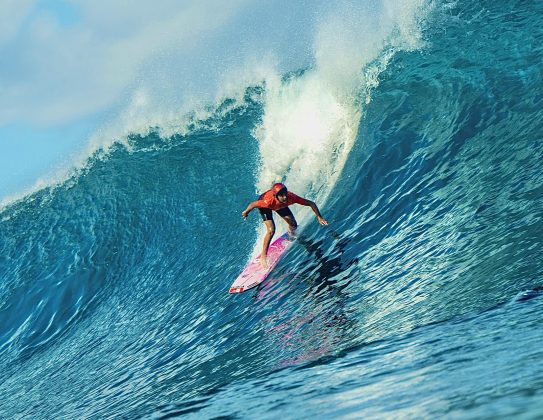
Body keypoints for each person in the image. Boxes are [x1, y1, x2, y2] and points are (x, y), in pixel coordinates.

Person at [242, 183, 328, 268]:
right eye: (282, 195)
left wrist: (319, 217)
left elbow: (311, 203)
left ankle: (291, 233)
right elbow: (253, 204)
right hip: (266, 206)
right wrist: (246, 212)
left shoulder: (291, 197)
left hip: (280, 205)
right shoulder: (267, 202)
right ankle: (263, 256)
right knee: (271, 230)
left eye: (285, 194)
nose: (285, 197)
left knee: (293, 225)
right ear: (276, 196)